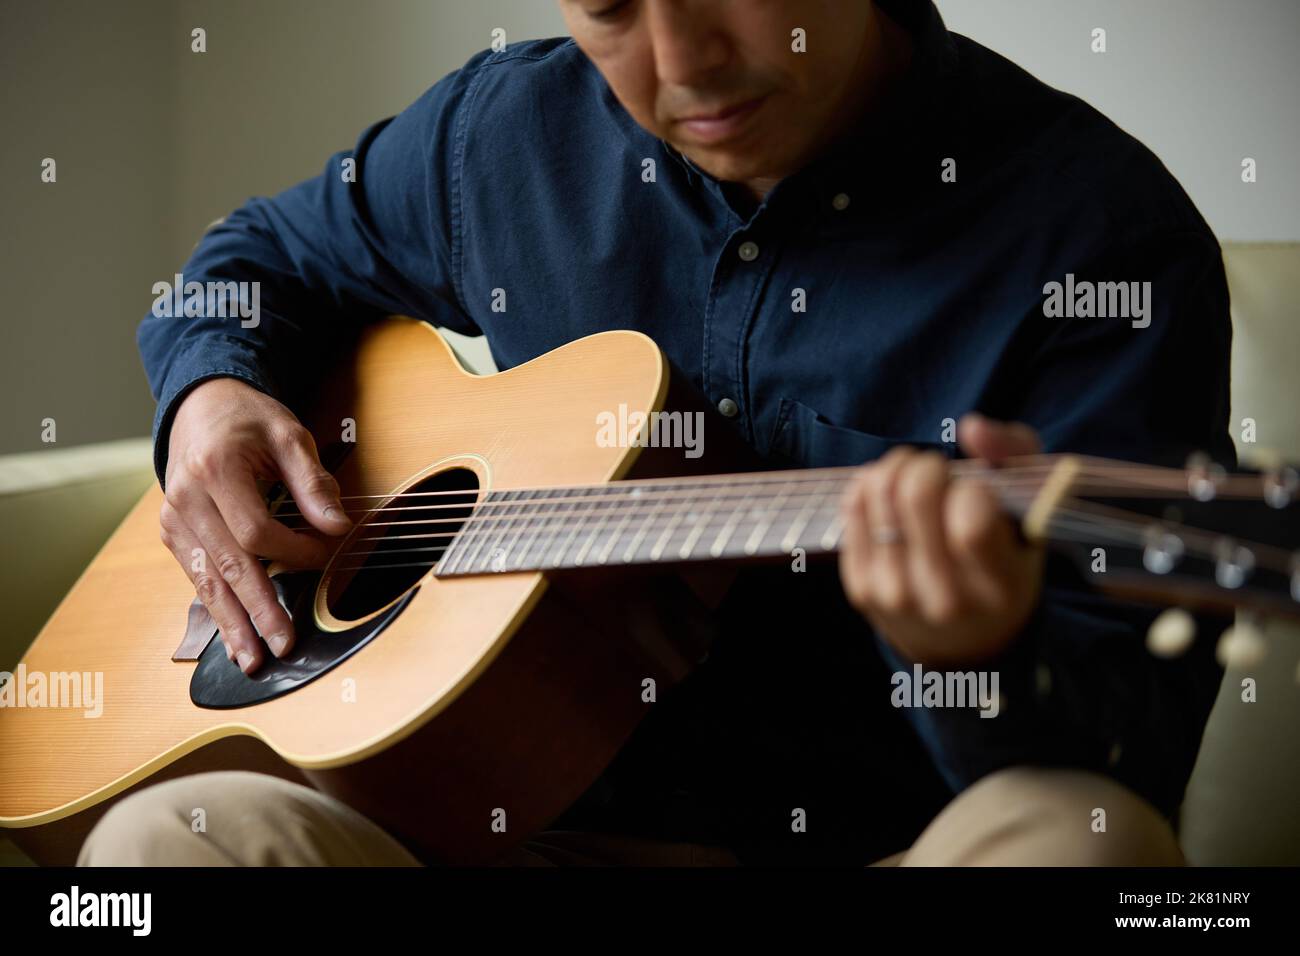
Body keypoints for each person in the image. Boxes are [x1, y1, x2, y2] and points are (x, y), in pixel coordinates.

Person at [79, 0, 1230, 866]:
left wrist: (969, 652)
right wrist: (208, 399)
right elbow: (244, 264)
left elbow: (1122, 761)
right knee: (164, 842)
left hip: (876, 849)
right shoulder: (504, 135)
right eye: (612, 8)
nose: (682, 67)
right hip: (488, 835)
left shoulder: (1098, 239)